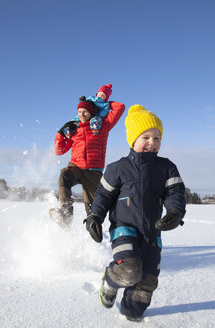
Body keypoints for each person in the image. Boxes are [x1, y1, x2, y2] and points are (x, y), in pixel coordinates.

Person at [83, 104, 186, 322]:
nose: (152, 142)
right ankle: (110, 280)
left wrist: (175, 211)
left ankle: (131, 315)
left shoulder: (167, 167)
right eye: (146, 137)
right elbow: (102, 195)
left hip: (152, 233)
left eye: (157, 138)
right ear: (133, 139)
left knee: (147, 281)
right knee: (129, 270)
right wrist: (95, 217)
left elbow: (175, 192)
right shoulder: (117, 168)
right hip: (124, 229)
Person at [51, 93, 125, 227]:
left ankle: (93, 236)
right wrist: (61, 133)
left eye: (85, 111)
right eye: (79, 111)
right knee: (64, 176)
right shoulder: (74, 129)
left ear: (91, 112)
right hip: (76, 167)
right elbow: (59, 150)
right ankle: (65, 214)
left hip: (93, 172)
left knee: (92, 211)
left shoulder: (103, 126)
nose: (82, 114)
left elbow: (120, 107)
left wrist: (100, 102)